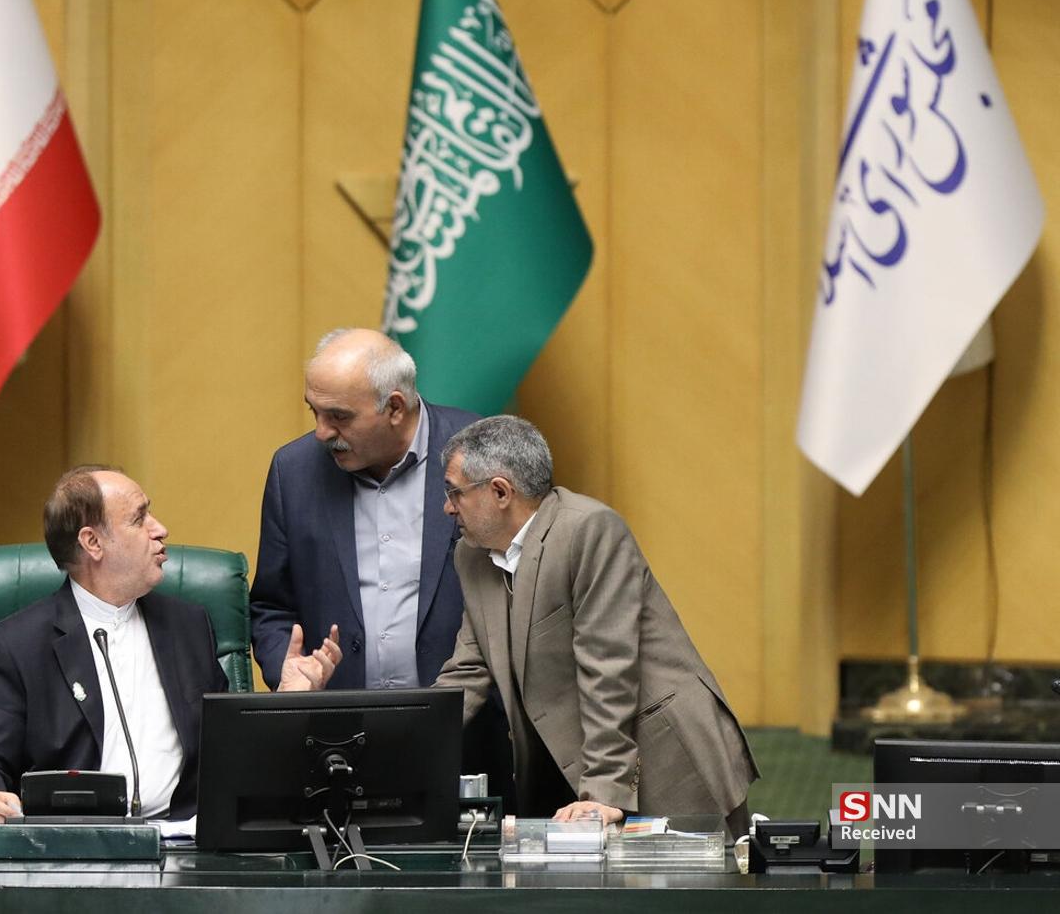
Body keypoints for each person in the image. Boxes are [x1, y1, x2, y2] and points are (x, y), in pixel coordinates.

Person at [0, 465, 340, 831]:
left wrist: (286, 702)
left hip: (184, 844)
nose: (160, 529)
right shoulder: (19, 645)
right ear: (92, 542)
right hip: (69, 846)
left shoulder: (188, 626)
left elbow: (232, 753)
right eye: (139, 519)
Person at [434, 416, 759, 835]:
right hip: (570, 765)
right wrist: (403, 748)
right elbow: (467, 670)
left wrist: (605, 790)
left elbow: (608, 666)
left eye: (454, 492)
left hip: (663, 757)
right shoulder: (472, 556)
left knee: (707, 876)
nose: (448, 507)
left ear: (500, 491)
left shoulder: (588, 530)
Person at [250, 328, 479, 691]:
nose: (322, 432)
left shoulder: (478, 450)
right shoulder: (293, 470)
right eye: (314, 411)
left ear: (395, 408)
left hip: (464, 714)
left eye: (339, 416)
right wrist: (291, 672)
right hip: (336, 717)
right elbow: (272, 607)